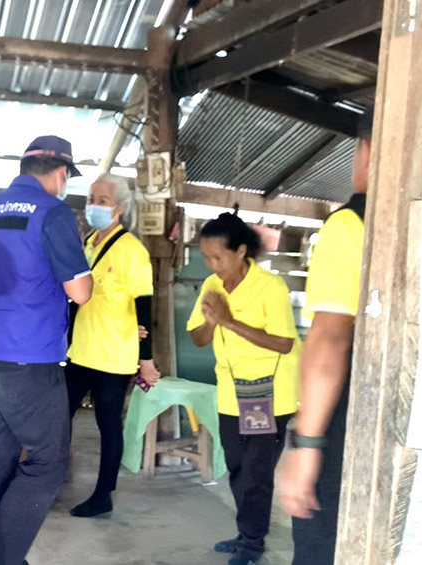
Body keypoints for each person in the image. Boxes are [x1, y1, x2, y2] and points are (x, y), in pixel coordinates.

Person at [0, 135, 93, 565]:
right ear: (61, 173)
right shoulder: (52, 212)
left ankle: (4, 557)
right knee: (49, 462)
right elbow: (80, 291)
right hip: (29, 358)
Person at [279, 110, 373, 564]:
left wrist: (307, 445)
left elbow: (331, 339)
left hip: (348, 428)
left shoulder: (351, 225)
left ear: (367, 152)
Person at [186, 212, 300, 565]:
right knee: (237, 468)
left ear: (240, 251)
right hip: (231, 394)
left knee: (256, 474)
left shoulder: (271, 287)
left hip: (267, 394)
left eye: (218, 257)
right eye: (207, 257)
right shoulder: (212, 285)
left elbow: (283, 343)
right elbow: (198, 338)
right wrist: (211, 322)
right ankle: (246, 532)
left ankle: (252, 543)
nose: (212, 265)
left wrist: (228, 321)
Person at [64, 174, 158, 518]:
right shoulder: (88, 243)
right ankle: (51, 476)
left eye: (102, 201)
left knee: (107, 424)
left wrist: (146, 359)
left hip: (113, 355)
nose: (94, 206)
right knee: (60, 416)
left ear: (119, 208)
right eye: (91, 199)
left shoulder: (132, 250)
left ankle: (103, 494)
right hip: (80, 351)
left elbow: (144, 305)